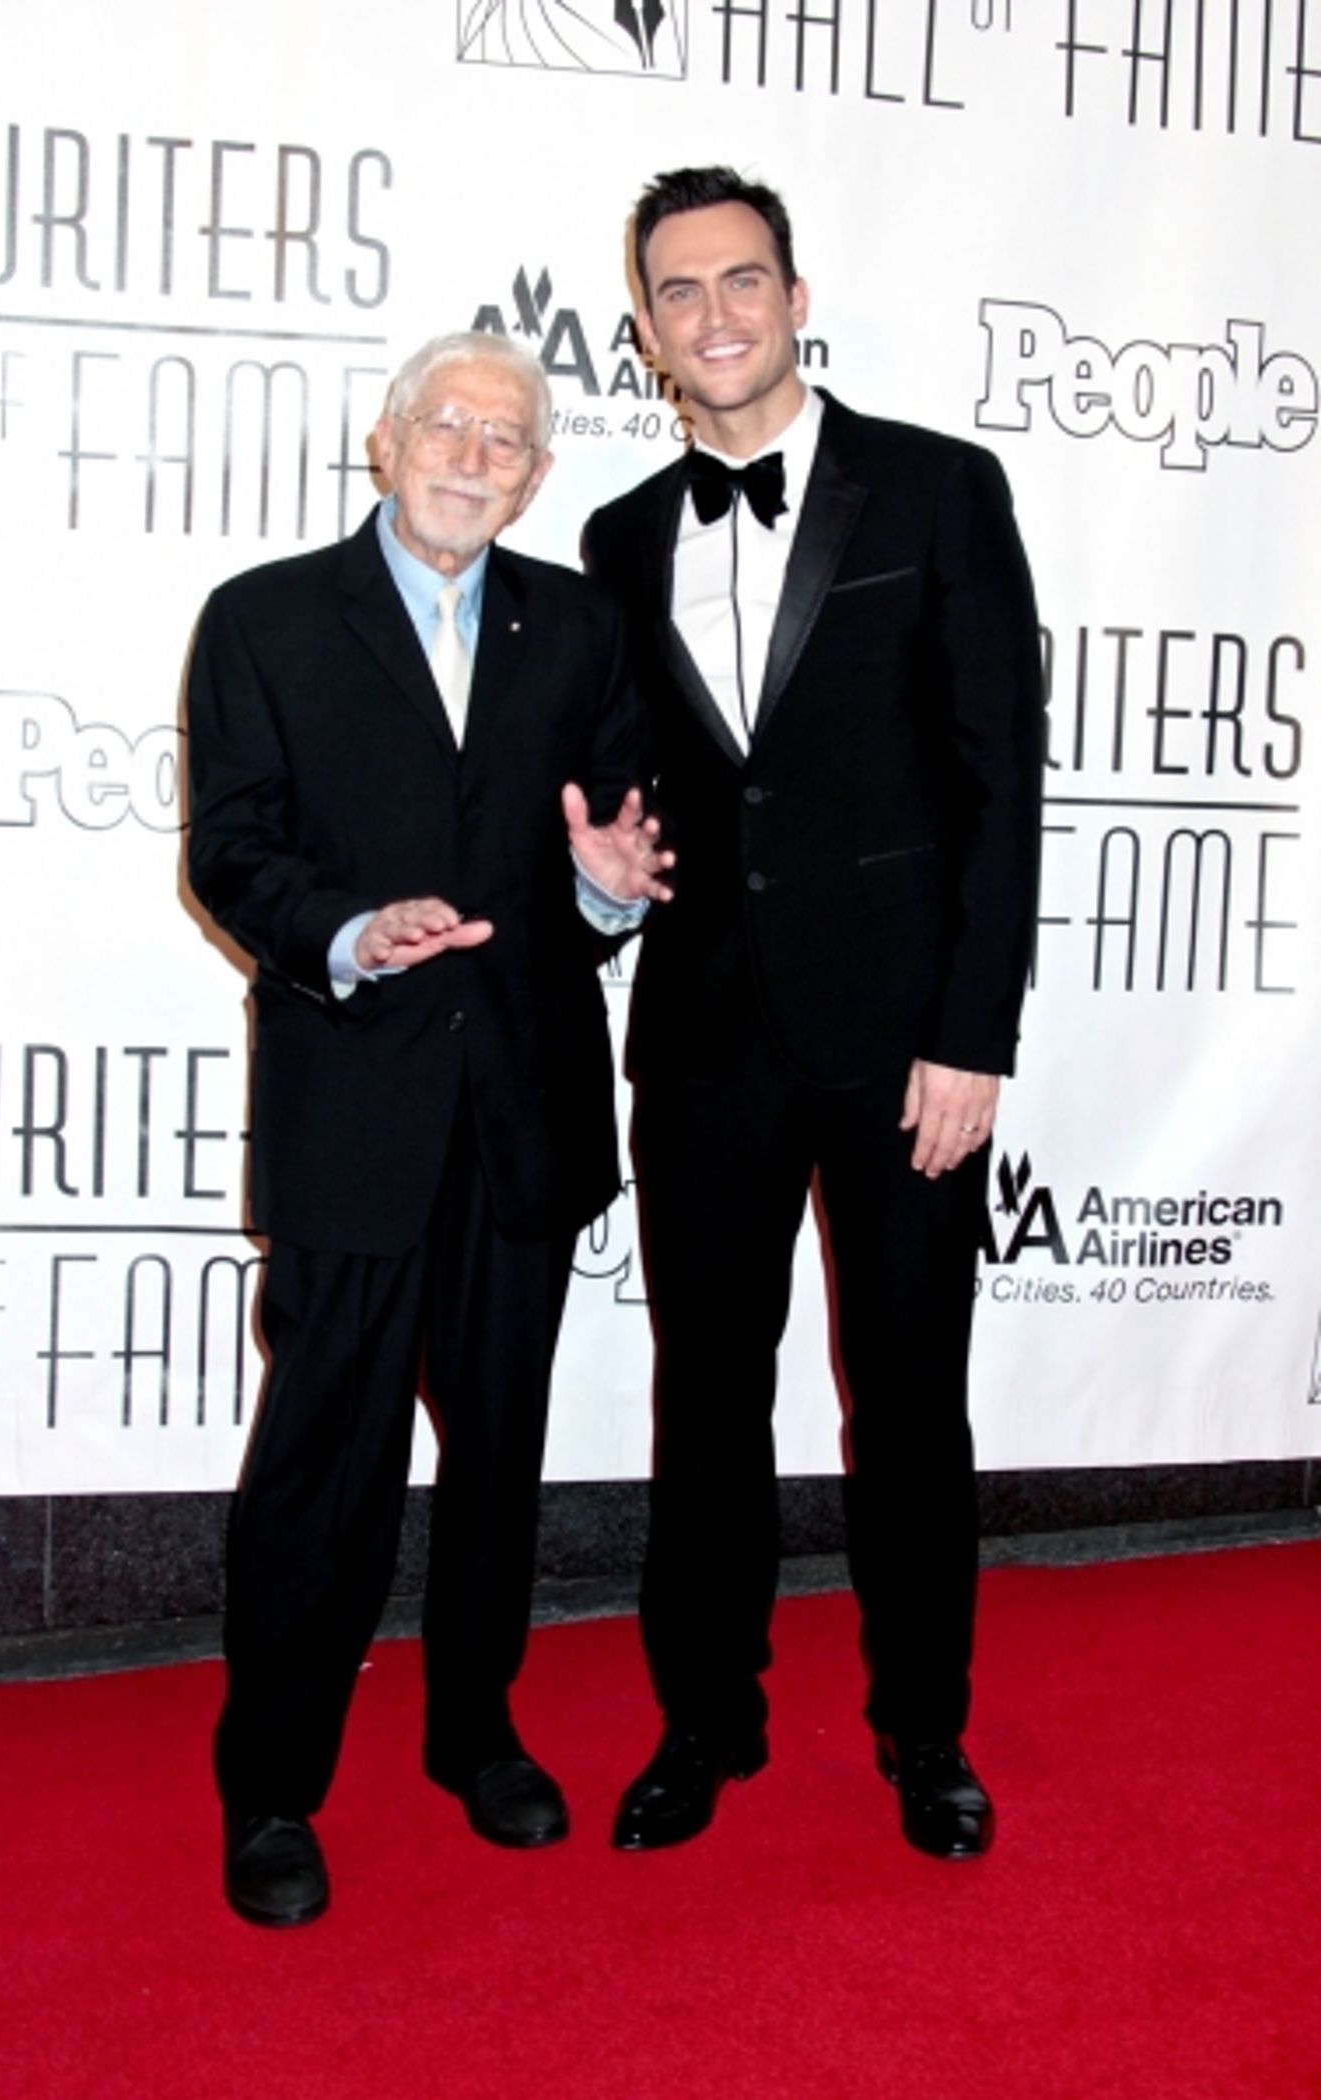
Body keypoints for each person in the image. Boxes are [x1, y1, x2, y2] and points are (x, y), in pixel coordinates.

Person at [583, 168, 1043, 1859]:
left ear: (793, 296)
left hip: (909, 1044)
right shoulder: (620, 538)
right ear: (645, 330)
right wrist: (605, 865)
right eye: (678, 290)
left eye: (741, 280)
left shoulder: (937, 488)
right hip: (705, 1043)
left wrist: (975, 1034)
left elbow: (1002, 780)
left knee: (910, 1397)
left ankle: (926, 1728)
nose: (713, 313)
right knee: (706, 1401)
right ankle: (708, 1717)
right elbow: (637, 786)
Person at [187, 330, 670, 1926]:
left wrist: (610, 894)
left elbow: (614, 844)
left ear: (537, 476)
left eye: (504, 438)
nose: (471, 455)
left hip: (523, 1110)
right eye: (445, 426)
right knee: (322, 1463)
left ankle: (475, 1731)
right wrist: (346, 932)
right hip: (351, 1105)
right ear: (385, 442)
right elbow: (233, 852)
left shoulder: (583, 628)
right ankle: (273, 1787)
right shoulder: (262, 620)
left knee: (501, 1451)